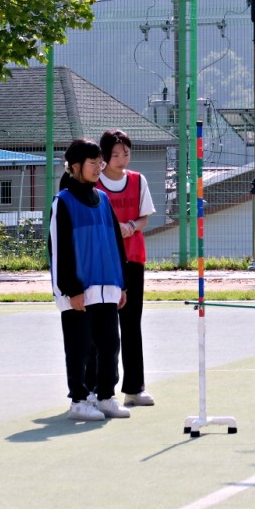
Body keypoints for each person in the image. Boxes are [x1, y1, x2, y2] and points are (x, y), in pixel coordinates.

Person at [49, 139, 130, 422]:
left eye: (100, 162)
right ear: (75, 167)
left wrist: (121, 284)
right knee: (80, 347)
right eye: (93, 163)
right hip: (79, 291)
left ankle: (105, 396)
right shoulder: (64, 202)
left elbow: (116, 243)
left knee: (110, 345)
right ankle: (79, 400)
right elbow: (59, 250)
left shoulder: (104, 199)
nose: (98, 168)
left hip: (107, 287)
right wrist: (71, 290)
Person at [92, 128, 157, 407]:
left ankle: (134, 388)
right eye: (115, 154)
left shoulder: (138, 180)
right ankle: (99, 388)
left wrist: (131, 227)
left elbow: (144, 219)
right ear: (104, 157)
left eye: (126, 153)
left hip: (133, 259)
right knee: (102, 327)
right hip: (103, 262)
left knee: (132, 323)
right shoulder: (95, 184)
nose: (122, 159)